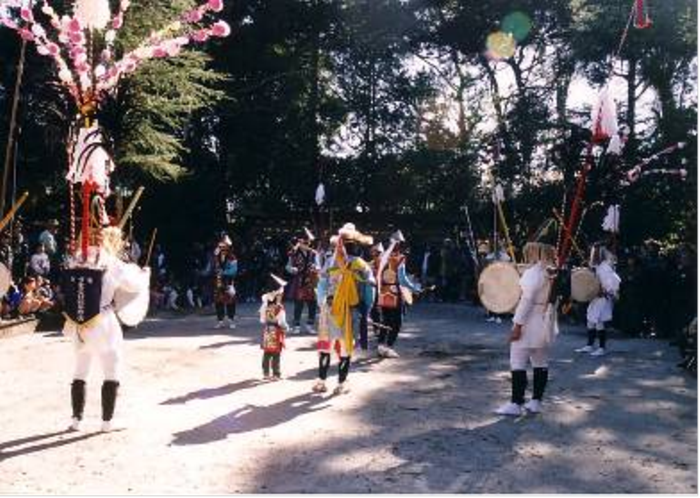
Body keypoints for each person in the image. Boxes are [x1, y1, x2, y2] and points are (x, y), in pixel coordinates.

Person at [62, 226, 150, 432]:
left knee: (80, 367)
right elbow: (134, 285)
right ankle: (107, 422)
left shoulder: (75, 257)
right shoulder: (112, 261)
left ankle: (76, 420)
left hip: (78, 321)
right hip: (102, 320)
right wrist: (145, 273)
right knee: (111, 365)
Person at [495, 242, 558, 416]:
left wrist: (518, 325)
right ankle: (536, 401)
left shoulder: (534, 273)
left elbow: (526, 301)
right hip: (545, 320)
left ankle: (516, 403)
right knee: (540, 362)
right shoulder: (551, 272)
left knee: (518, 361)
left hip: (530, 321)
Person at [313, 223, 375, 395]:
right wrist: (367, 311)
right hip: (349, 310)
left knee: (325, 345)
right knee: (345, 347)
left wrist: (322, 303)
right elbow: (370, 288)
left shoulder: (331, 261)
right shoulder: (361, 264)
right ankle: (341, 384)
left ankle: (320, 381)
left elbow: (322, 284)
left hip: (329, 308)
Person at [375, 231, 422, 358]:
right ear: (399, 244)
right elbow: (402, 279)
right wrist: (414, 288)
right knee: (397, 322)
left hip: (384, 292)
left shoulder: (381, 257)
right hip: (395, 293)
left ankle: (380, 345)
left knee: (385, 320)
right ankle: (388, 347)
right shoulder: (400, 258)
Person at [575, 243, 621, 357]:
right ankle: (589, 345)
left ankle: (601, 347)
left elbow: (613, 282)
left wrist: (606, 291)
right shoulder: (597, 266)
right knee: (590, 320)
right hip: (595, 297)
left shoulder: (605, 267)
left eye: (595, 253)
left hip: (603, 297)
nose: (593, 255)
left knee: (599, 321)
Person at [286, 230, 320, 334]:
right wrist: (292, 269)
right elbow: (287, 266)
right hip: (299, 279)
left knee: (312, 303)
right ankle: (296, 325)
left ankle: (310, 324)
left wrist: (316, 267)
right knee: (299, 303)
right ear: (299, 242)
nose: (306, 244)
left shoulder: (313, 254)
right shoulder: (294, 253)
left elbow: (318, 265)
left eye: (307, 242)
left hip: (311, 280)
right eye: (304, 242)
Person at [259, 275, 289, 380]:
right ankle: (276, 374)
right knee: (276, 353)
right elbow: (282, 322)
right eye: (280, 294)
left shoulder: (264, 306)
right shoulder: (280, 308)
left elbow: (262, 320)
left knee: (267, 352)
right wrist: (285, 328)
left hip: (267, 330)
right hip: (276, 330)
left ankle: (266, 373)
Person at [213, 234, 238, 329]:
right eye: (220, 246)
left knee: (230, 301)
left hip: (228, 281)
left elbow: (234, 270)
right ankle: (220, 320)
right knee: (218, 301)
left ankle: (231, 320)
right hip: (218, 281)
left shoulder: (232, 257)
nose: (221, 248)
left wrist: (223, 272)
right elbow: (214, 265)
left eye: (223, 246)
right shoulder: (217, 255)